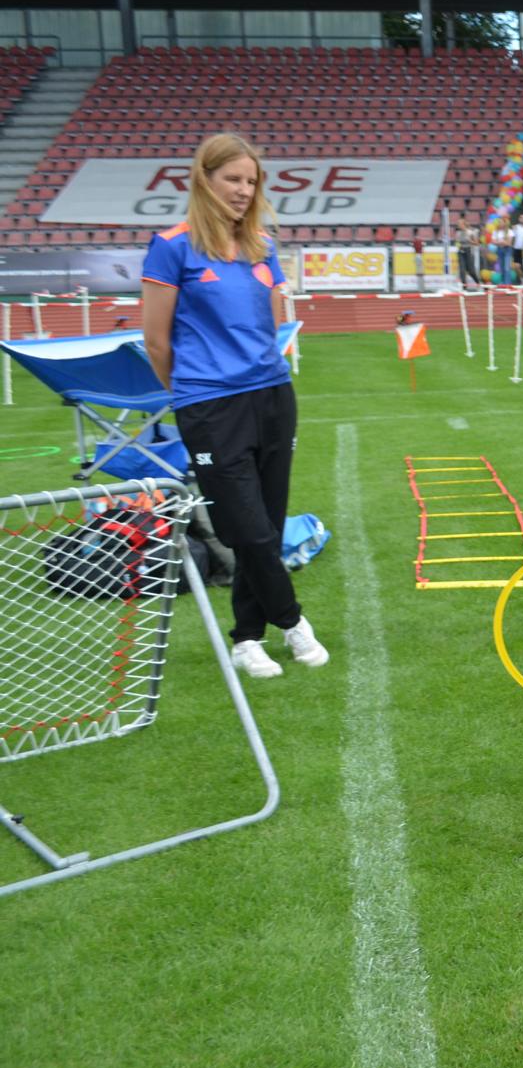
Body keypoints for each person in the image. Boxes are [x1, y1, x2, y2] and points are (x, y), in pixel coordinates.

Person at [140, 133, 328, 680]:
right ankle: (292, 621)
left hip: (272, 397)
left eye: (251, 181)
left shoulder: (261, 245)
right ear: (205, 179)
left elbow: (271, 323)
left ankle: (247, 640)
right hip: (209, 406)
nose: (244, 190)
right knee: (249, 530)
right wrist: (193, 392)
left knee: (265, 523)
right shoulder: (171, 246)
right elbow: (156, 341)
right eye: (233, 179)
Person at [455, 217, 483, 287]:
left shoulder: (470, 232)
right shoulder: (458, 233)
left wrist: (470, 241)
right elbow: (457, 242)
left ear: (463, 224)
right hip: (461, 251)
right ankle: (464, 286)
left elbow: (477, 243)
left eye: (459, 224)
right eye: (458, 224)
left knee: (471, 271)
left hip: (469, 251)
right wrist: (458, 244)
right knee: (462, 270)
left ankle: (478, 283)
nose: (458, 225)